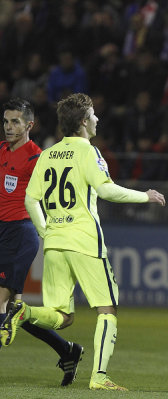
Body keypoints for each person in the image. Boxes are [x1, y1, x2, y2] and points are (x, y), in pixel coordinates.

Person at [0, 93, 166, 391]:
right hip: (85, 242)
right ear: (82, 122)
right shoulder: (88, 151)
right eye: (93, 115)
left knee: (62, 317)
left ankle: (22, 311)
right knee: (107, 309)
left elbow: (30, 198)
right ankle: (100, 378)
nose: (97, 119)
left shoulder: (48, 153)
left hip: (54, 244)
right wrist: (146, 196)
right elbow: (106, 189)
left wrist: (46, 230)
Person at [0, 98, 84, 386]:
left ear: (29, 125)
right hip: (1, 231)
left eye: (15, 122)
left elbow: (51, 199)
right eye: (6, 121)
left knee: (0, 302)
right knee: (13, 310)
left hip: (20, 234)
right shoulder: (0, 151)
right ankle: (67, 350)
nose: (9, 127)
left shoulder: (38, 158)